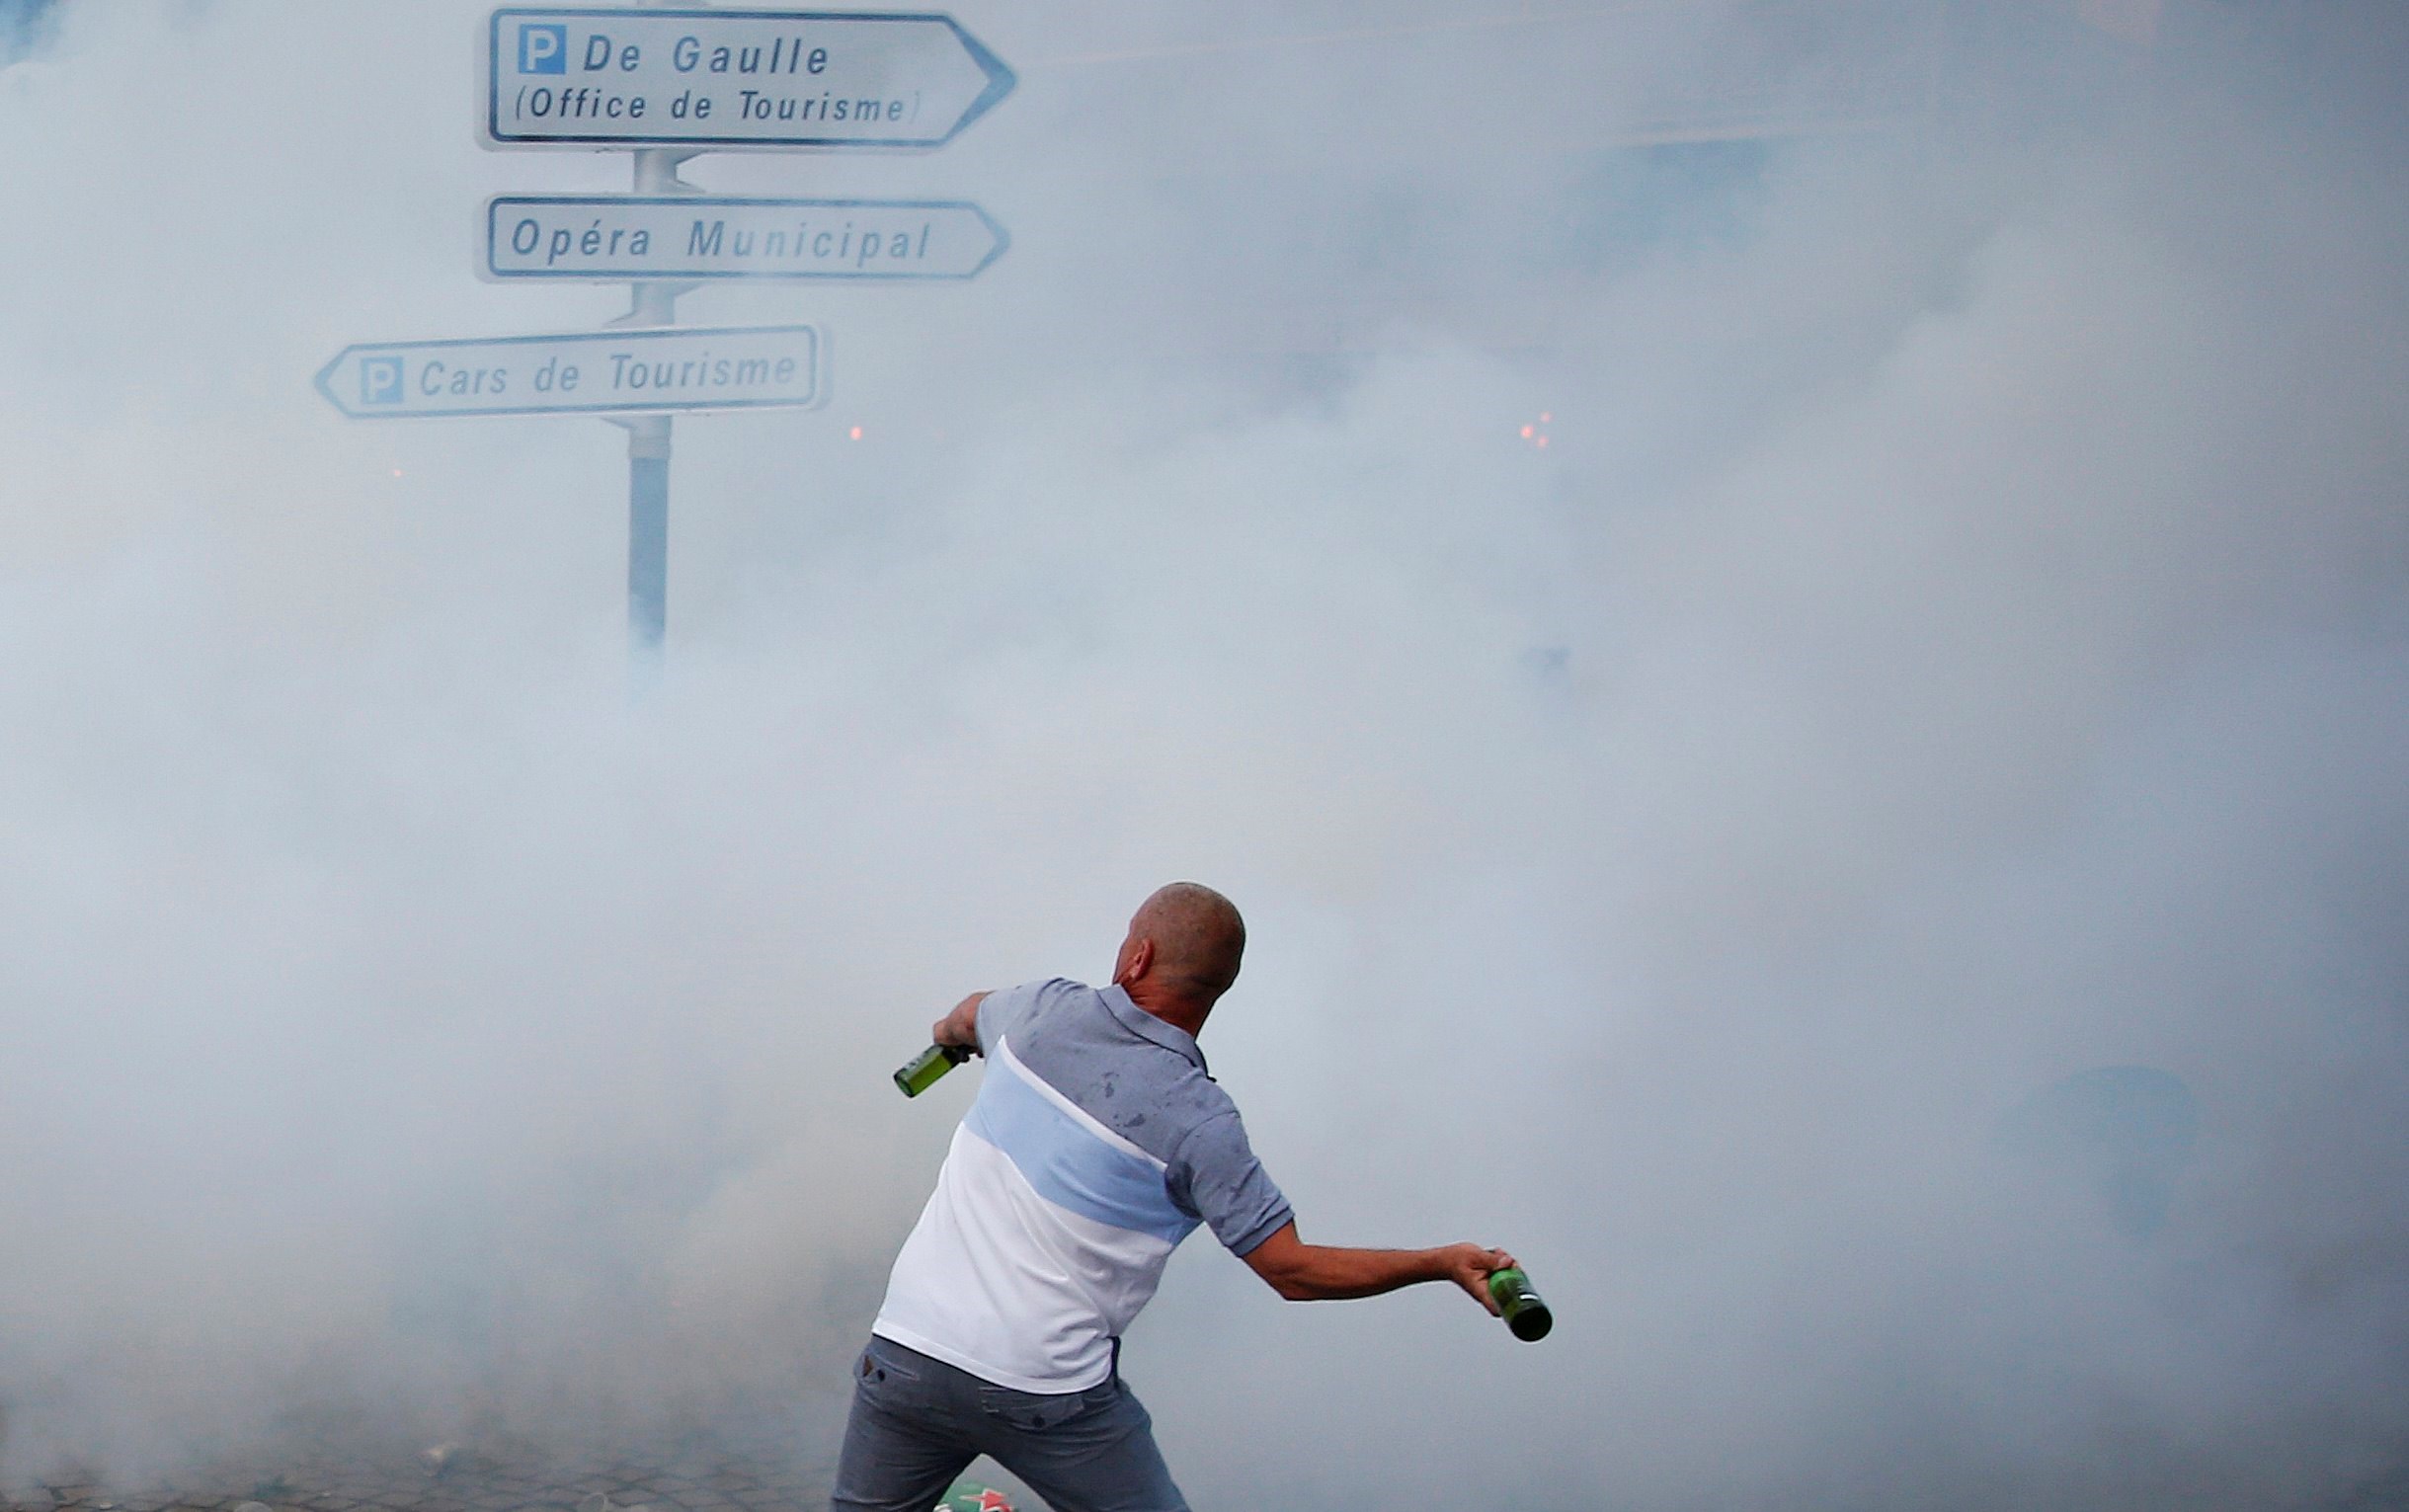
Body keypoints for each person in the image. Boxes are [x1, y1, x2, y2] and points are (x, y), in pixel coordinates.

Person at [832, 882, 1517, 1512]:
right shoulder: (1202, 1122)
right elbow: (1295, 1272)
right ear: (1218, 989)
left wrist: (955, 1040)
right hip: (1047, 1397)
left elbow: (960, 1016)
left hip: (906, 1357)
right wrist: (1439, 1261)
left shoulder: (1034, 1010)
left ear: (1137, 956)